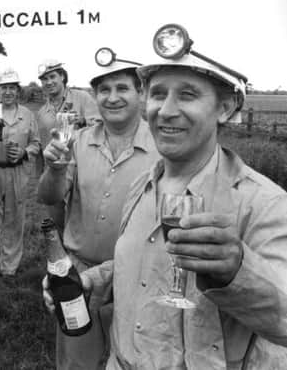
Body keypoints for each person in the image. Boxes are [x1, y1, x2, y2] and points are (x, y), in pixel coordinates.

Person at [45, 24, 287, 368]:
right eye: (158, 94)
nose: (167, 110)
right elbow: (144, 265)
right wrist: (94, 281)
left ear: (226, 107)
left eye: (187, 95)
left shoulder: (264, 204)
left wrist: (239, 271)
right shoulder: (142, 186)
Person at [38, 48, 159, 369]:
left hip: (141, 277)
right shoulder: (77, 141)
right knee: (77, 363)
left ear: (141, 93)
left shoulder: (162, 148)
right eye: (104, 90)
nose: (112, 97)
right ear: (94, 95)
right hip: (79, 277)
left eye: (122, 88)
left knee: (135, 362)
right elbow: (48, 197)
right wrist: (53, 169)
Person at [0, 68, 40, 276]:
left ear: (18, 91)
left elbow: (36, 143)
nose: (8, 92)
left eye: (12, 88)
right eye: (4, 88)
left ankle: (9, 268)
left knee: (14, 220)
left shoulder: (27, 114)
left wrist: (24, 152)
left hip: (17, 172)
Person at [36, 59, 99, 230]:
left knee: (86, 224)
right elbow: (42, 147)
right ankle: (63, 253)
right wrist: (43, 178)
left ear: (62, 76)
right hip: (56, 173)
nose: (48, 82)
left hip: (83, 171)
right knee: (59, 224)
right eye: (44, 79)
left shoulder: (82, 98)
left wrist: (83, 121)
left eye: (52, 76)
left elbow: (101, 126)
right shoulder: (42, 113)